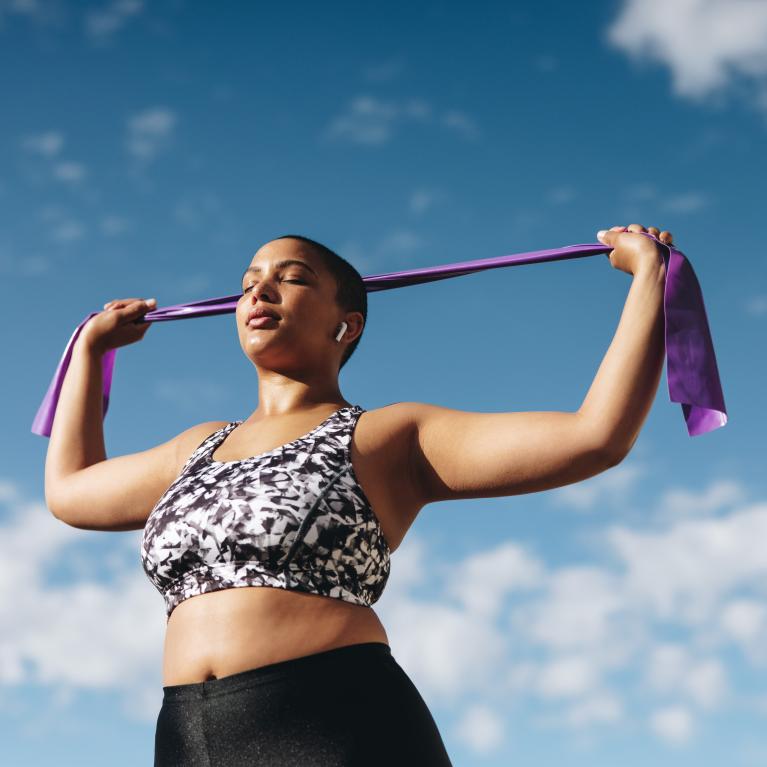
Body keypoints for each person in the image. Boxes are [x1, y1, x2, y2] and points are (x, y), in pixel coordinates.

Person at [44, 223, 672, 766]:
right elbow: (70, 492)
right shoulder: (197, 447)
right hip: (186, 735)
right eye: (247, 283)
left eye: (292, 279)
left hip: (334, 721)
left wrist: (647, 276)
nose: (259, 291)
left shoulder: (387, 437)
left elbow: (596, 437)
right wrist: (90, 351)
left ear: (347, 324)